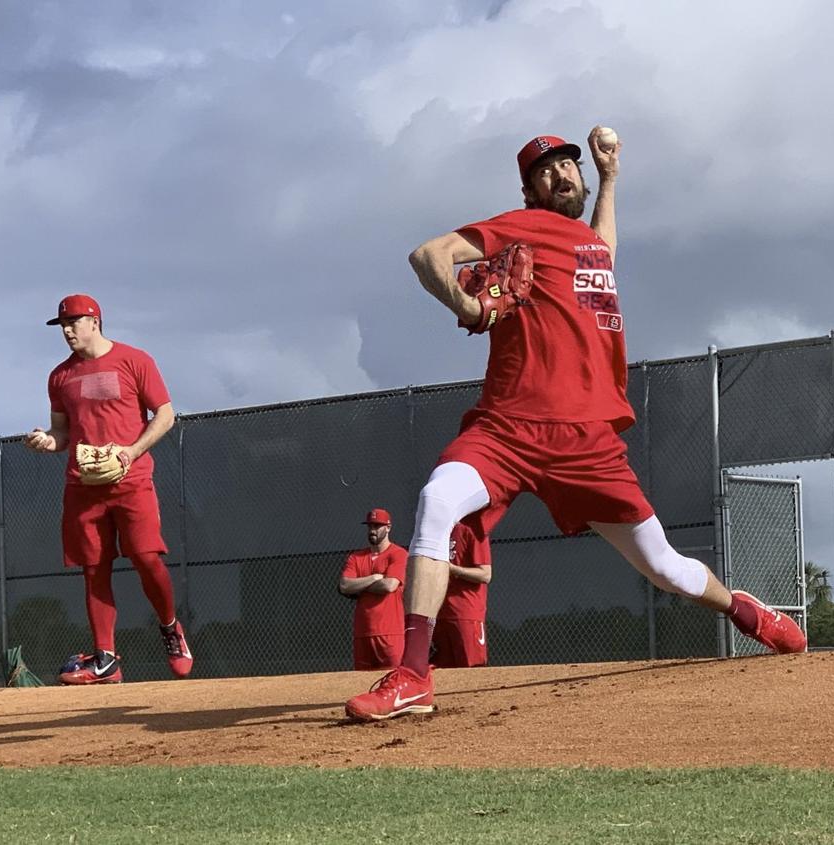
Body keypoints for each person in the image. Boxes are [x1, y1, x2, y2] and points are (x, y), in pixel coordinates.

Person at [345, 127, 806, 721]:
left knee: (664, 567)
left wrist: (611, 176)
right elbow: (427, 256)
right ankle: (413, 675)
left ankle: (746, 612)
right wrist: (470, 307)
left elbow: (604, 253)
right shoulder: (521, 227)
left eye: (568, 167)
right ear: (529, 189)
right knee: (437, 500)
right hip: (507, 429)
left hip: (588, 441)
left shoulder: (587, 246)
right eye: (546, 171)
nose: (562, 175)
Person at [23, 294, 192, 684]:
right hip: (83, 485)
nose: (67, 330)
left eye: (73, 322)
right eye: (62, 325)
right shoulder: (59, 376)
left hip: (130, 479)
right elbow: (62, 434)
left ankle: (170, 629)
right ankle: (106, 659)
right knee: (93, 569)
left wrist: (130, 453)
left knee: (146, 558)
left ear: (94, 321)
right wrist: (45, 441)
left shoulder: (135, 360)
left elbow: (165, 415)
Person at [338, 508, 408, 670]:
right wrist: (374, 578)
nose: (373, 530)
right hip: (362, 633)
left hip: (390, 633)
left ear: (388, 528)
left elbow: (389, 585)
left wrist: (360, 586)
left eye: (377, 526)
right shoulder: (356, 557)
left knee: (391, 679)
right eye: (370, 526)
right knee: (362, 682)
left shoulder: (398, 554)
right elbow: (344, 586)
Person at [430, 520, 492, 669]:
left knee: (471, 669)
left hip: (465, 613)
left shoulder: (473, 529)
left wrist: (453, 569)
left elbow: (485, 574)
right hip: (438, 612)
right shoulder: (435, 530)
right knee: (442, 672)